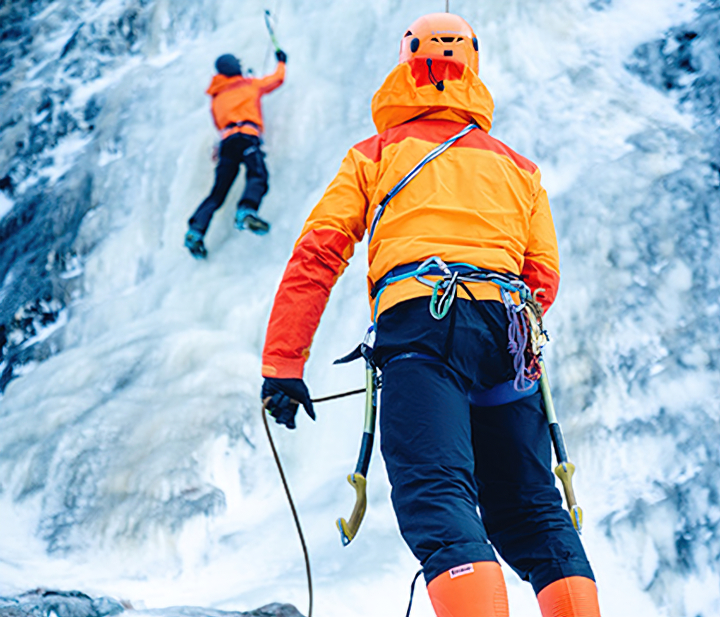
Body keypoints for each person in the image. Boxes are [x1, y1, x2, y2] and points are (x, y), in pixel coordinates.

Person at [260, 13, 601, 617]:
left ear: (406, 63)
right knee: (530, 504)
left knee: (437, 493)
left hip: (423, 327)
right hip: (509, 332)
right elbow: (542, 276)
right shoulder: (518, 168)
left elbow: (318, 253)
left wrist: (284, 363)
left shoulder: (376, 153)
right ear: (472, 68)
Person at [185, 50, 287, 258]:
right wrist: (281, 62)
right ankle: (246, 211)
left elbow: (218, 124)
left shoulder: (216, 97)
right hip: (247, 136)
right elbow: (277, 80)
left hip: (227, 143)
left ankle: (196, 230)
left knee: (218, 193)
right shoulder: (249, 84)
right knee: (258, 175)